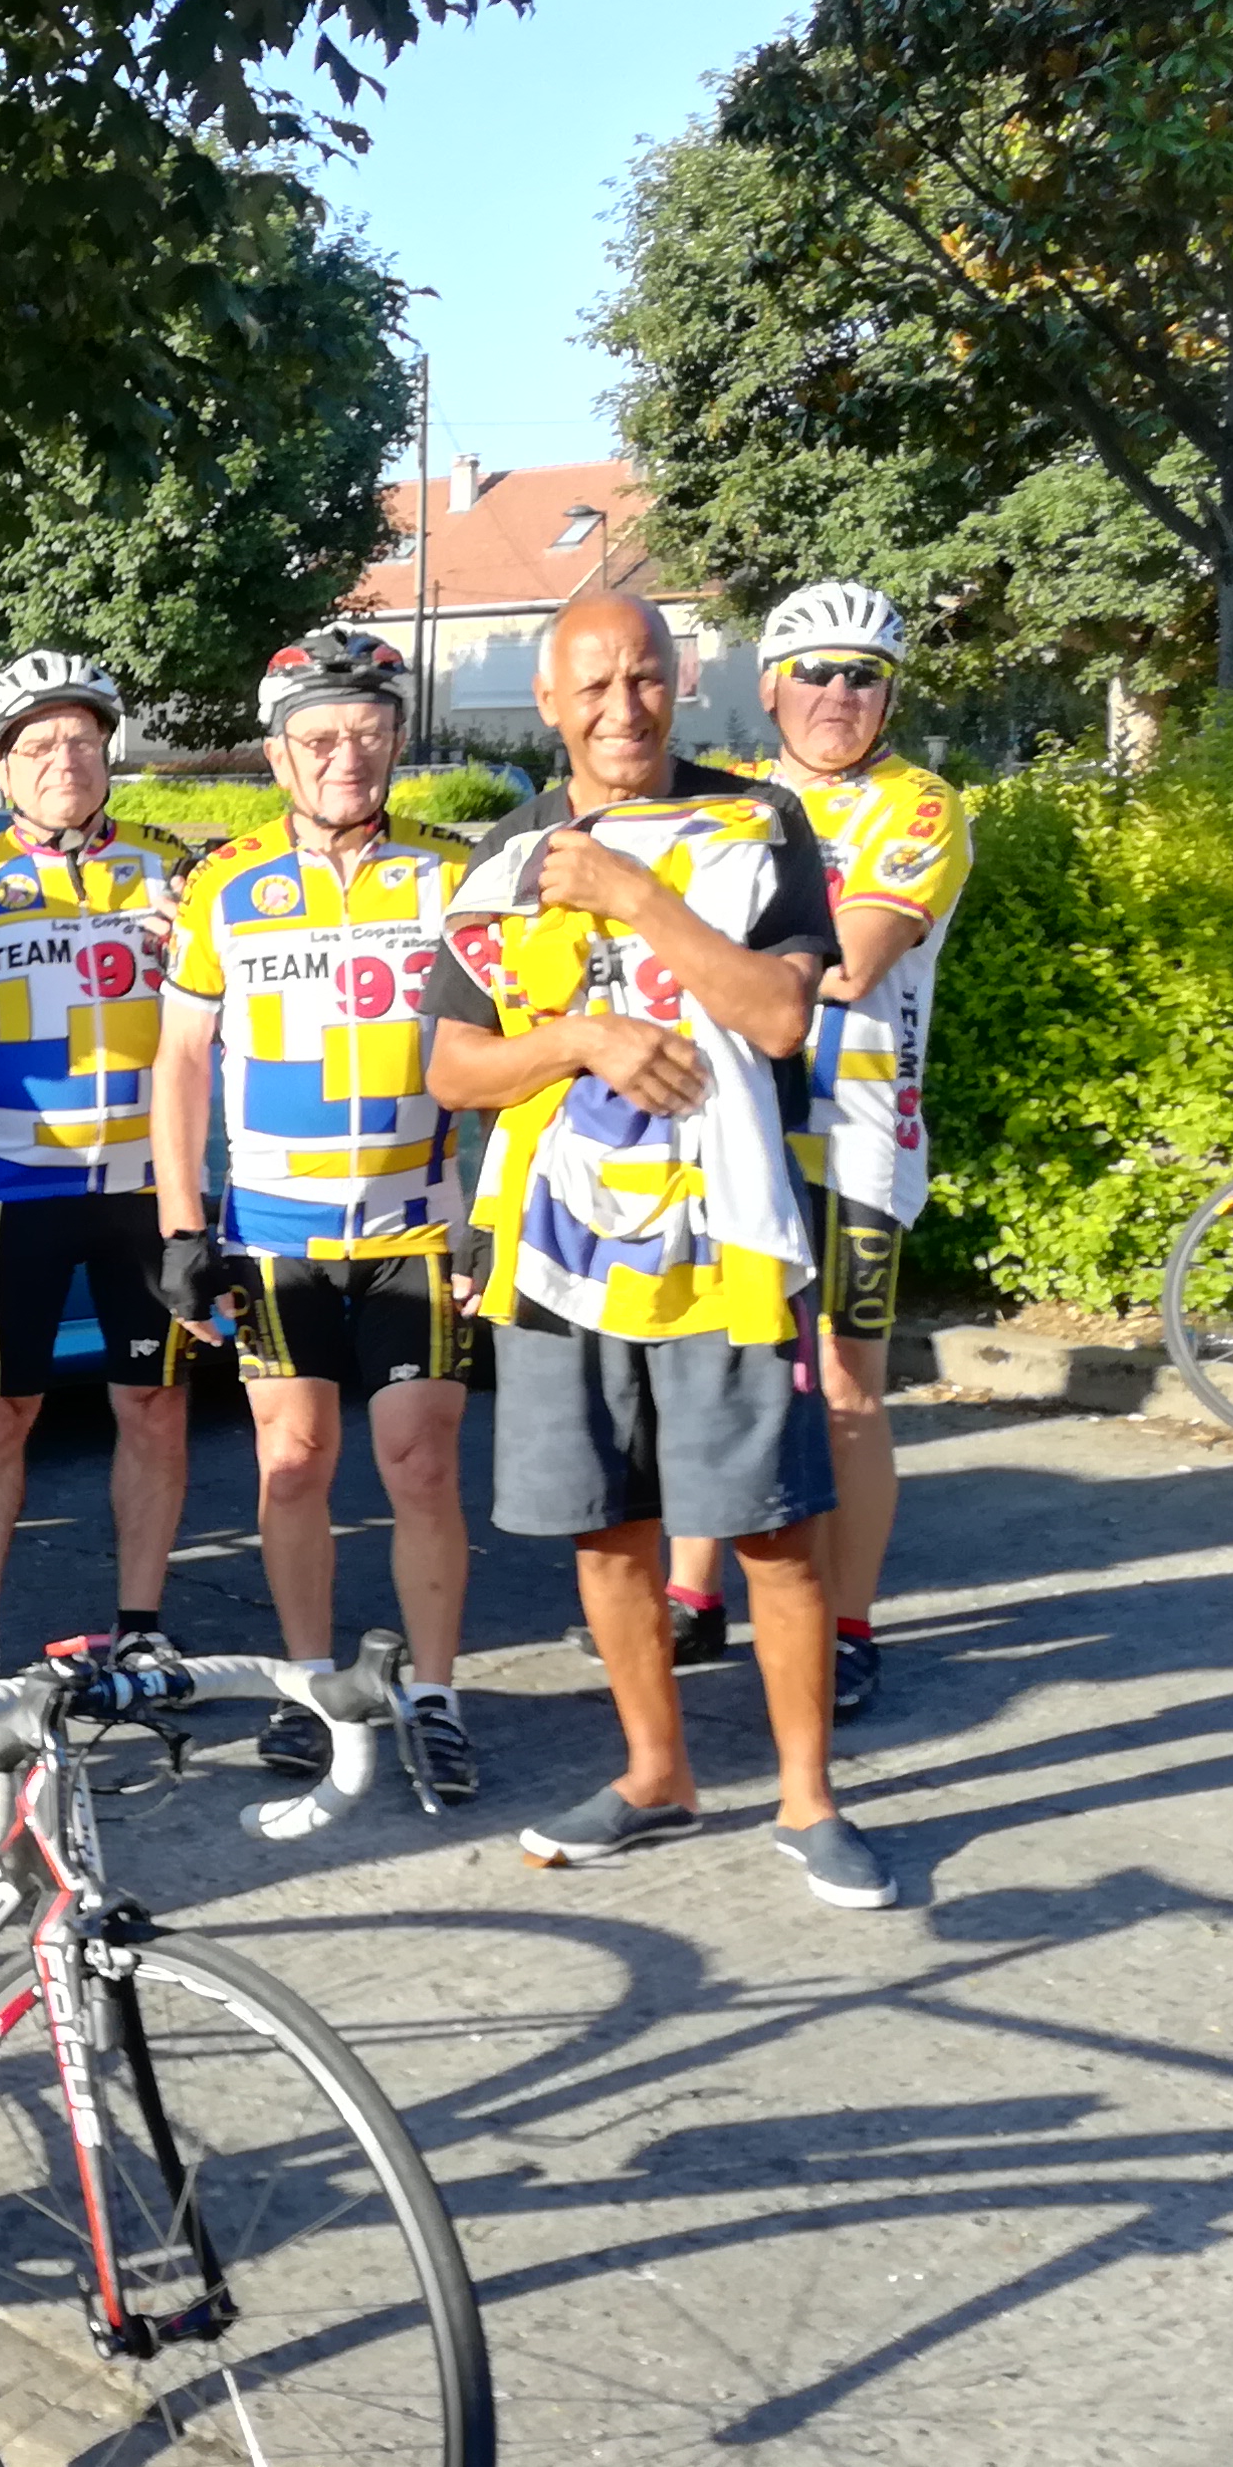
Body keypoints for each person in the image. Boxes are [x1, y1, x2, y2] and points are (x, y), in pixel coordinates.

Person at [424, 592, 897, 1912]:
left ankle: (809, 1802)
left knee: (770, 1531)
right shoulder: (505, 854)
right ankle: (654, 1773)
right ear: (547, 702)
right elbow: (452, 1069)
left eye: (641, 678)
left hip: (726, 1241)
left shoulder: (755, 823)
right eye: (590, 686)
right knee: (605, 1529)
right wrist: (578, 1041)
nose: (618, 708)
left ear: (678, 681)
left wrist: (632, 894)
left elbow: (780, 1015)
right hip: (558, 1251)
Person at [635, 581, 968, 1723]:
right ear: (770, 687)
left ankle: (846, 1625)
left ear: (889, 696)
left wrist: (694, 941)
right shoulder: (724, 800)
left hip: (855, 1138)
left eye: (863, 676)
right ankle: (691, 1592)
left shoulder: (918, 805)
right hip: (729, 1121)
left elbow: (849, 963)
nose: (838, 695)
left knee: (843, 1391)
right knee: (706, 1356)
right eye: (815, 673)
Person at [153, 631, 479, 1796]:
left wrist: (491, 1211)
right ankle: (305, 1687)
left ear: (398, 739)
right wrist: (179, 1229)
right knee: (290, 1464)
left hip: (414, 1226)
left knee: (418, 1464)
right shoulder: (225, 885)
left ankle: (432, 1697)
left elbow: (509, 1043)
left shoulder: (454, 873)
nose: (347, 756)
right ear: (277, 752)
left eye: (369, 732)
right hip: (274, 1233)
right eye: (321, 736)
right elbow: (180, 1061)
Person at [0, 650, 193, 1708]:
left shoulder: (170, 869)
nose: (66, 759)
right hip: (16, 1189)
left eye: (83, 739)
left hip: (146, 1189)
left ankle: (140, 1631)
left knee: (152, 1405)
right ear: (1, 768)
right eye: (40, 744)